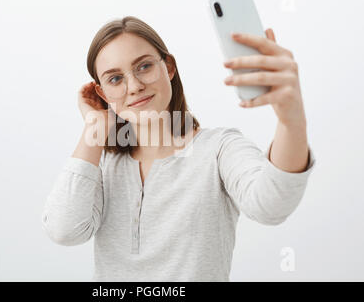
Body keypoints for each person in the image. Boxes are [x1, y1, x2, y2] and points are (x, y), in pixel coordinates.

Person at [41, 16, 315, 281]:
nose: (135, 86)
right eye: (115, 79)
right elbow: (64, 231)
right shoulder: (101, 164)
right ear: (102, 94)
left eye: (144, 66)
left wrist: (292, 121)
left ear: (168, 67)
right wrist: (94, 128)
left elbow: (271, 206)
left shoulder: (219, 149)